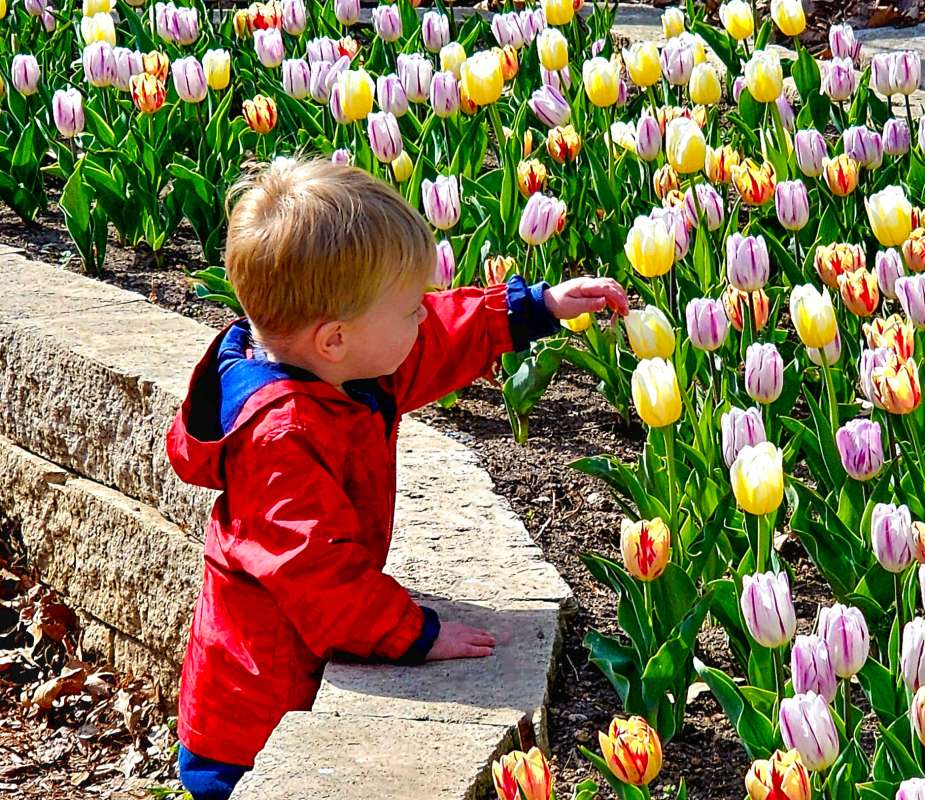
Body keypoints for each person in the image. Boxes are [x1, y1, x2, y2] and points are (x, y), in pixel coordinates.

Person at [165, 157, 628, 800]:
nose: (423, 315)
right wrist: (414, 634)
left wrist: (529, 309)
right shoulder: (282, 441)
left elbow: (435, 338)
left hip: (290, 670)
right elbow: (320, 576)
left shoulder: (342, 368)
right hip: (256, 715)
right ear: (335, 339)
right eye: (409, 306)